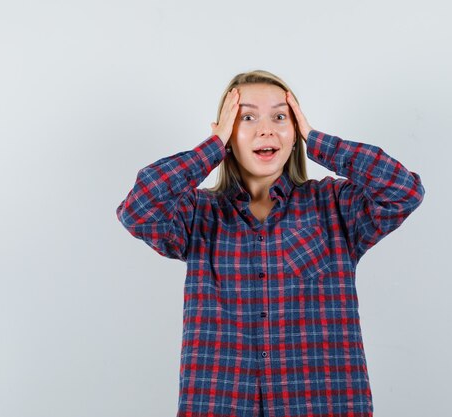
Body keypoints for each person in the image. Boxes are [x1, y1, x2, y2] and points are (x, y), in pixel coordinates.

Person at [117, 69, 425, 417]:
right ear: (227, 133)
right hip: (221, 403)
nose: (266, 129)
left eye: (281, 117)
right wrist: (210, 149)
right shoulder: (196, 213)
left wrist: (317, 140)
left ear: (294, 133)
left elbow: (405, 192)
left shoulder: (336, 206)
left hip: (322, 404)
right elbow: (138, 212)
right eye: (247, 117)